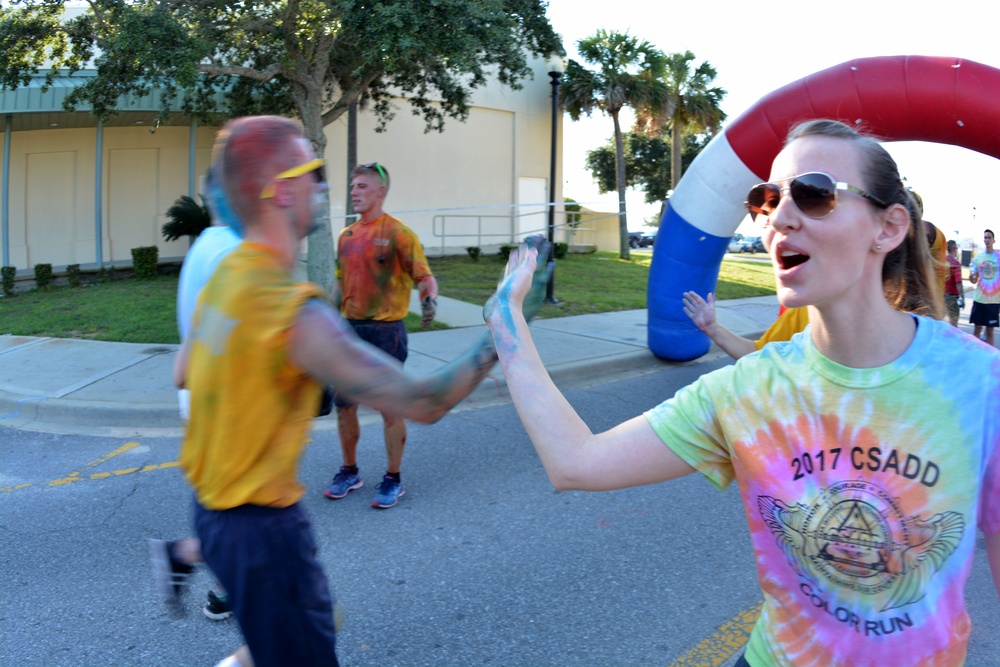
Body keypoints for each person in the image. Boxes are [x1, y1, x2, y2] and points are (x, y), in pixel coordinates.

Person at [485, 119, 1000, 667]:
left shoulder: (980, 384)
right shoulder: (748, 389)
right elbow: (576, 463)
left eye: (814, 194)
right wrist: (506, 318)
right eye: (768, 198)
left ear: (889, 227)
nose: (778, 218)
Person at [174, 115, 550, 667]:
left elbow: (184, 370)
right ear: (280, 190)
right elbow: (426, 401)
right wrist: (506, 324)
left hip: (211, 517)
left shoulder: (224, 279)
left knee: (294, 636)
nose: (325, 187)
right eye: (314, 172)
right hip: (263, 533)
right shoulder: (292, 313)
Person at [323, 162, 438, 509]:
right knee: (344, 406)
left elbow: (424, 276)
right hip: (350, 333)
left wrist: (428, 300)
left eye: (361, 186)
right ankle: (349, 471)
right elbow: (339, 283)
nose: (354, 192)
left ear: (380, 192)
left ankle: (393, 478)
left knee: (389, 409)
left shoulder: (400, 233)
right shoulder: (347, 237)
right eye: (353, 186)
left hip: (387, 333)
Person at [969, 229, 998, 346]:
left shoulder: (998, 257)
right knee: (977, 329)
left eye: (989, 237)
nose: (987, 240)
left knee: (990, 332)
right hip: (979, 299)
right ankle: (976, 355)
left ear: (994, 240)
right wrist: (973, 277)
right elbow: (973, 279)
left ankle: (990, 358)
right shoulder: (978, 258)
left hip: (994, 300)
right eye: (985, 237)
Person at [944, 239, 965, 327]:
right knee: (953, 326)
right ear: (953, 249)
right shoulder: (955, 264)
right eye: (956, 248)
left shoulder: (940, 261)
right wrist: (962, 298)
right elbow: (958, 283)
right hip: (951, 298)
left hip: (939, 297)